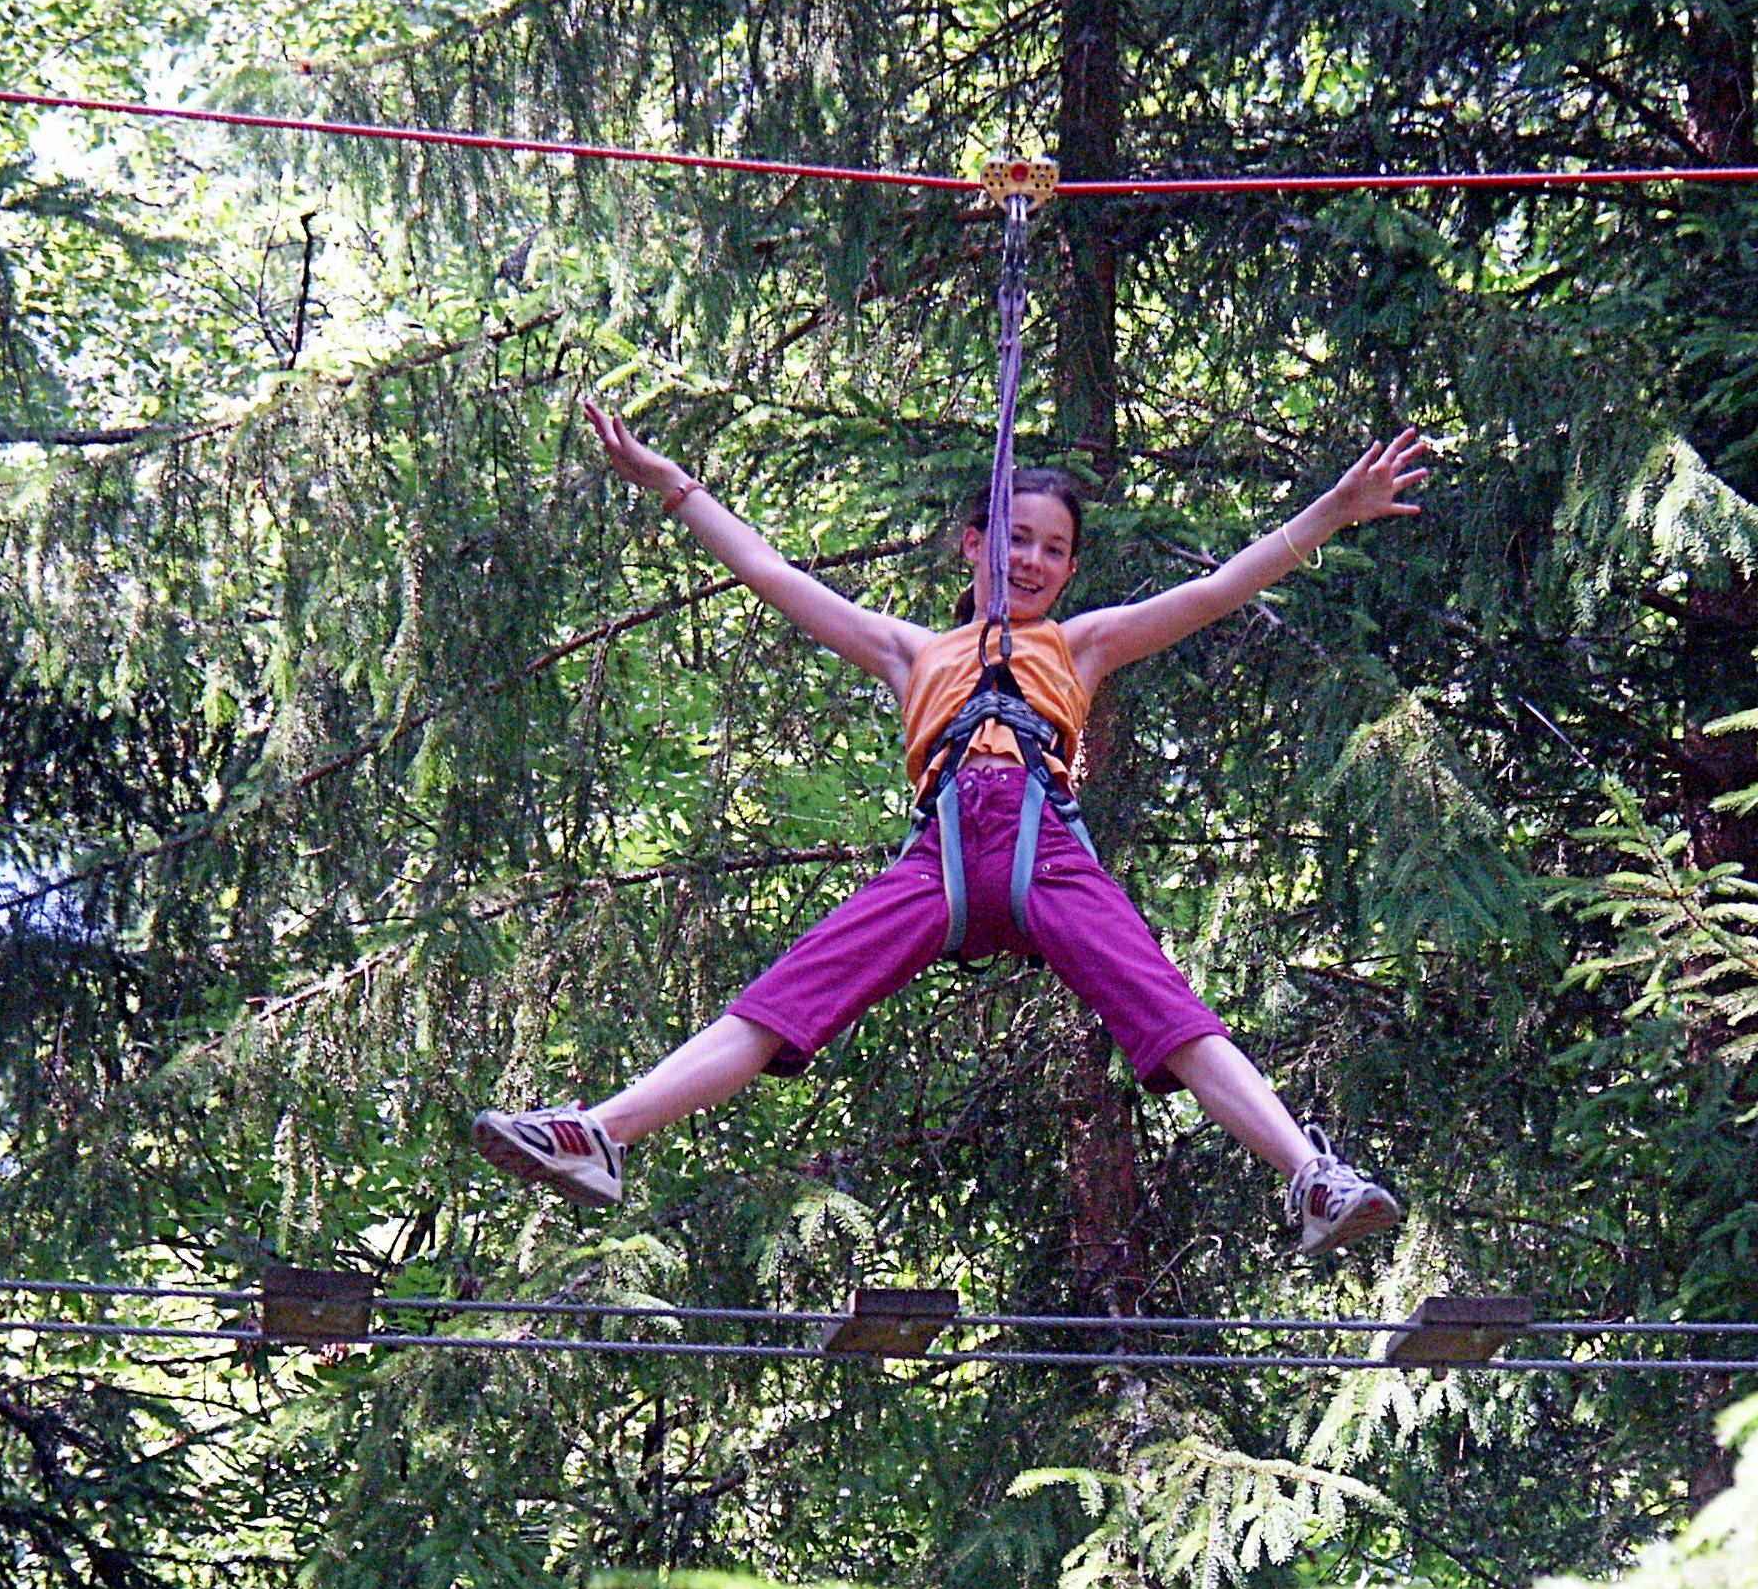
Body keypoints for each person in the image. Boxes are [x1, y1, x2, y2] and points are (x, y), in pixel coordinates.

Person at [473, 395, 1427, 1254]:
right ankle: (601, 1134)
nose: (1033, 561)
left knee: (1168, 1013)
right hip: (942, 860)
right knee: (783, 1002)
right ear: (971, 545)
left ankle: (1309, 1175)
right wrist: (673, 484)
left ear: (1070, 568)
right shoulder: (909, 650)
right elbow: (768, 570)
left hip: (1043, 847)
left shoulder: (1081, 645)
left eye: (1054, 549)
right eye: (1014, 539)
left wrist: (1329, 514)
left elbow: (1218, 589)